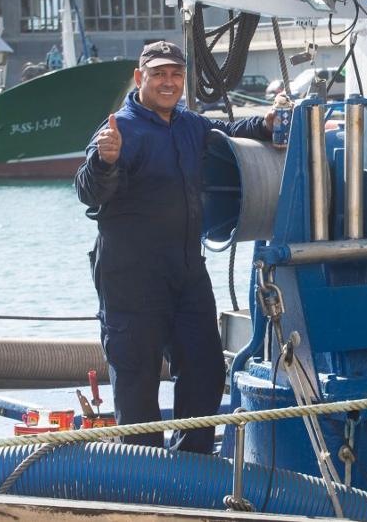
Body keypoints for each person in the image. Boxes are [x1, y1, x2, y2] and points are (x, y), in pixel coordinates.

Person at [75, 40, 277, 452]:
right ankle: (146, 474)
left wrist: (267, 125)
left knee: (204, 368)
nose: (168, 82)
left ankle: (193, 466)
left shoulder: (189, 124)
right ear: (139, 78)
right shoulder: (119, 128)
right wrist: (104, 161)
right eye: (159, 74)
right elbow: (88, 192)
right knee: (138, 380)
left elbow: (229, 132)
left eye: (175, 75)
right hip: (130, 278)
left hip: (186, 270)